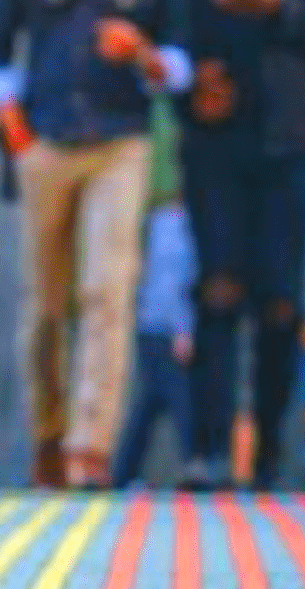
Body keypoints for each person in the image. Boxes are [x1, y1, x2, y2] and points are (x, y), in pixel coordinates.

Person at [0, 0, 192, 489]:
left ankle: (91, 446)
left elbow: (180, 66)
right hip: (43, 140)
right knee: (45, 304)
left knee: (108, 291)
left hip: (121, 143)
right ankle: (48, 434)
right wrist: (13, 126)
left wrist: (142, 53)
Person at [180, 0, 305, 490]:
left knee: (281, 304)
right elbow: (171, 28)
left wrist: (278, 10)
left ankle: (268, 453)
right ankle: (208, 451)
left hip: (291, 143)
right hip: (215, 139)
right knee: (217, 292)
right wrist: (189, 86)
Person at [112, 197, 201, 489]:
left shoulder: (158, 221)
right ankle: (190, 466)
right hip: (167, 330)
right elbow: (176, 280)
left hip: (149, 324)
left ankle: (124, 473)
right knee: (179, 403)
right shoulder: (184, 226)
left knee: (150, 404)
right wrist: (184, 329)